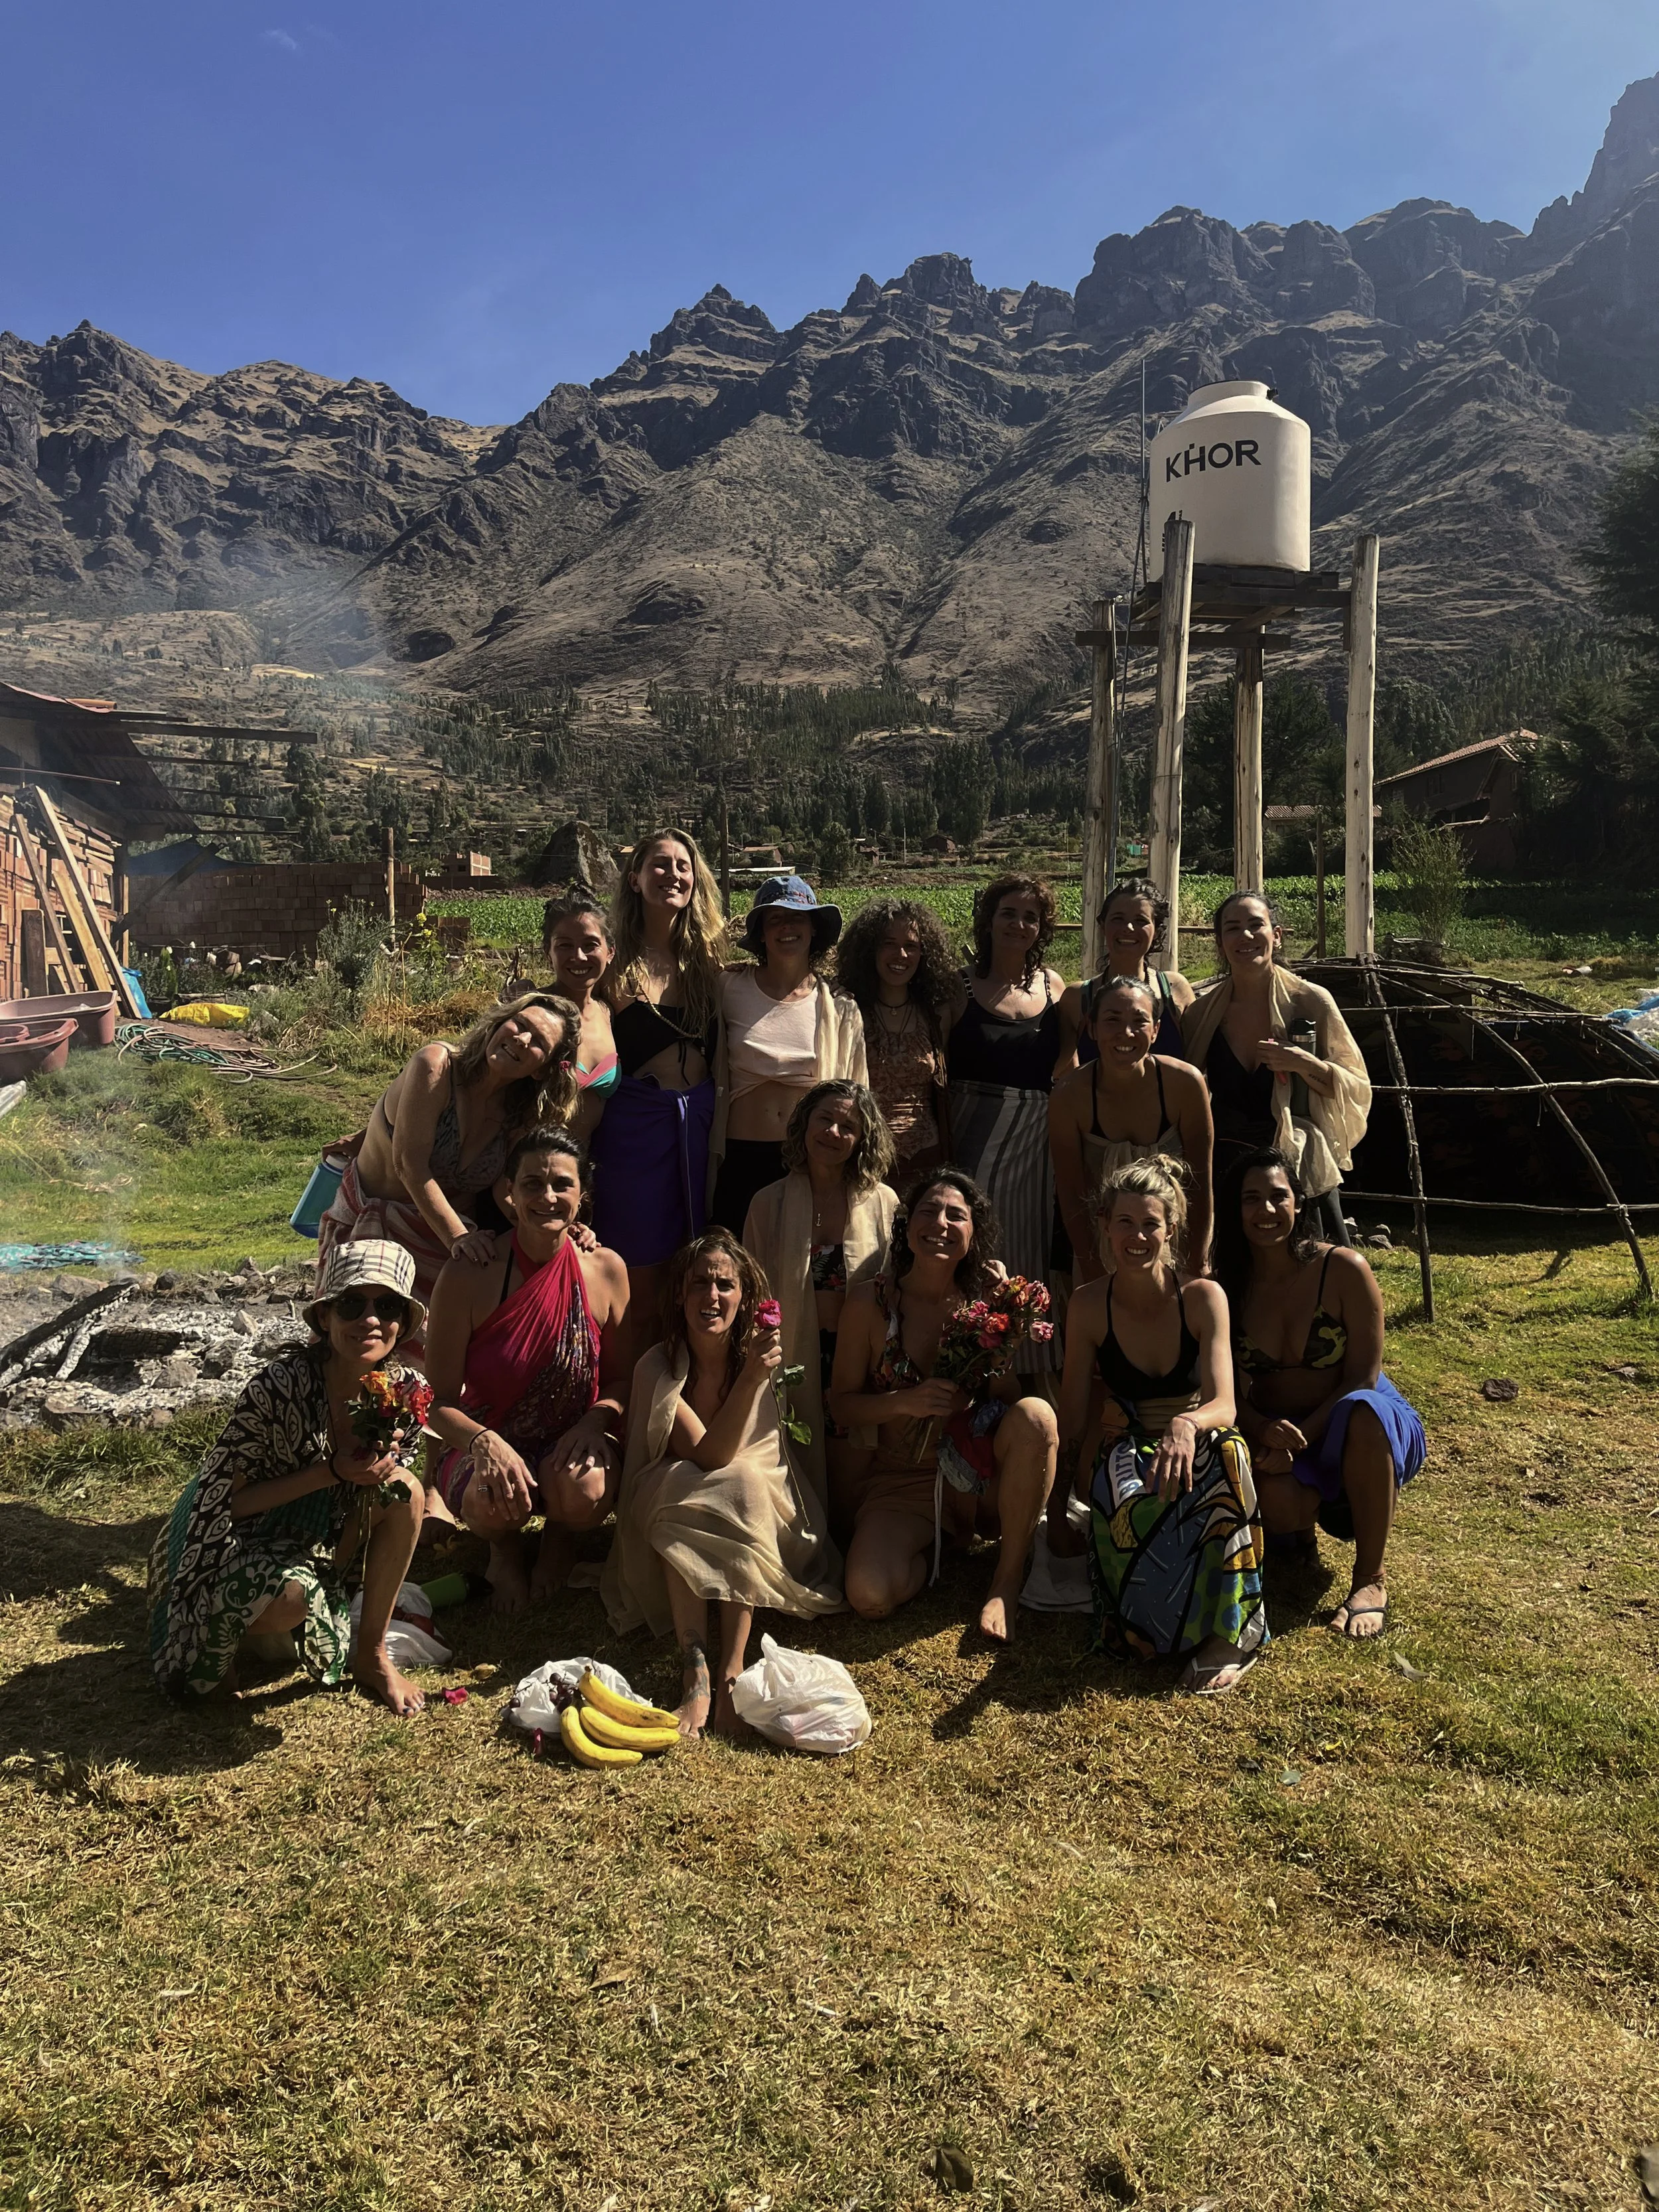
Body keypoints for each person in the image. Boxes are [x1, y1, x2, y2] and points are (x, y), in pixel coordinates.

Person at [147, 1240, 431, 1714]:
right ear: (325, 1318)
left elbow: (366, 1506)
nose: (370, 1319)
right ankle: (223, 1646)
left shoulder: (405, 1394)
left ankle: (372, 1656)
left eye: (386, 1305)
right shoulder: (279, 1388)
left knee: (407, 1490)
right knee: (290, 1596)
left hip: (314, 1544)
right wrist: (332, 1471)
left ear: (402, 1321)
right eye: (351, 1303)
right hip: (233, 1544)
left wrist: (365, 1476)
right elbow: (224, 1505)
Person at [602, 1228, 843, 1739]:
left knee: (747, 1487)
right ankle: (695, 1666)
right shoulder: (658, 1367)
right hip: (672, 1493)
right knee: (693, 1488)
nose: (711, 1297)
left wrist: (754, 1374)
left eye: (725, 1285)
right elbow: (712, 1453)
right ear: (680, 1294)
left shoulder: (756, 1362)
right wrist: (754, 1378)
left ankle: (732, 1667)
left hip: (751, 1495)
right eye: (699, 1284)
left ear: (745, 1297)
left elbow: (753, 1460)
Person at [1050, 1157, 1266, 1694]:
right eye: (1125, 1222)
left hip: (1196, 1435)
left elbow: (1224, 1403)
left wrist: (1186, 1425)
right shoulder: (1087, 1306)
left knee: (1231, 1454)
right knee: (1123, 1502)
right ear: (1104, 1224)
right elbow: (1073, 1414)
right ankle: (1152, 1629)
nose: (1138, 1236)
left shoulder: (1201, 1296)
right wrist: (1055, 1508)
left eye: (1150, 1223)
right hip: (1124, 1446)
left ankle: (1230, 1634)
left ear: (1171, 1228)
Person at [829, 1171, 1058, 1643]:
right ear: (907, 1224)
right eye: (929, 1211)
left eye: (958, 1214)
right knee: (869, 1594)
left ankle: (1005, 1582)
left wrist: (1007, 1329)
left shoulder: (985, 1302)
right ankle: (938, 1542)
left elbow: (1011, 1400)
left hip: (976, 1472)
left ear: (974, 1233)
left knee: (1038, 1415)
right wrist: (904, 1402)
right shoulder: (869, 1303)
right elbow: (842, 1406)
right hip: (901, 1480)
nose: (942, 1222)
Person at [1214, 1147, 1426, 1639]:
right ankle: (1299, 1534)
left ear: (1299, 1203)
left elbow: (1363, 1377)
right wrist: (1262, 1428)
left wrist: (1299, 1438)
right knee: (1279, 1504)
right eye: (1251, 1199)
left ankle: (1371, 1578)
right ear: (1234, 1209)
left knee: (1363, 1412)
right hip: (1279, 1427)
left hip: (1360, 1420)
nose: (1265, 1210)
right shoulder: (1225, 1285)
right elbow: (1222, 1383)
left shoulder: (1344, 1269)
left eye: (1277, 1196)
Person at [425, 1128, 630, 1611]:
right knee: (488, 1496)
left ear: (583, 1196)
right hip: (488, 1439)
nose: (548, 1196)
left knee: (586, 1491)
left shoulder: (605, 1270)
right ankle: (504, 1549)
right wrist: (483, 1442)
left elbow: (624, 1379)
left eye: (562, 1184)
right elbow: (437, 1404)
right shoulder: (471, 1272)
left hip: (571, 1439)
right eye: (533, 1183)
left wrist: (594, 1421)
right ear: (509, 1194)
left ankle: (563, 1535)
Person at [317, 992, 581, 1343]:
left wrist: (558, 1226)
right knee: (359, 1342)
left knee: (435, 1354)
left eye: (538, 1043)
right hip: (379, 1225)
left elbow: (505, 1189)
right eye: (519, 1024)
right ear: (499, 1023)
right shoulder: (437, 1064)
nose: (521, 1038)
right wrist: (460, 1238)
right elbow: (409, 1165)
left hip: (442, 1236)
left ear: (542, 1069)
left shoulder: (519, 1114)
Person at [589, 829, 726, 1364]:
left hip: (700, 1127)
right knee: (636, 1274)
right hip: (635, 1132)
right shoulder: (611, 963)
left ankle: (679, 1393)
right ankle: (621, 1398)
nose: (673, 875)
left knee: (690, 1272)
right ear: (635, 877)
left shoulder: (710, 964)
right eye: (660, 865)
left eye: (684, 866)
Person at [742, 1079, 899, 1516]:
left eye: (847, 1126)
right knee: (799, 1477)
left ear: (863, 1138)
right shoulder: (767, 1203)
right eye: (825, 1119)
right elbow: (751, 1294)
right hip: (793, 1356)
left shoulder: (884, 1203)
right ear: (804, 1124)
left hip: (859, 1361)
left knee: (849, 1493)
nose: (833, 1131)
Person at [1181, 890, 1372, 1246]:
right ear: (1220, 943)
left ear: (1277, 935)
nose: (1246, 936)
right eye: (1233, 928)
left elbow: (1354, 1085)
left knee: (1315, 1273)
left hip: (1297, 1163)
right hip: (1228, 1168)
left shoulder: (1310, 1002)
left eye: (1256, 925)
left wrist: (1303, 1062)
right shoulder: (1202, 1014)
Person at [945, 875, 1076, 1369]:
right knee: (973, 1246)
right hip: (972, 1140)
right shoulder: (959, 986)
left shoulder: (1054, 986)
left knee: (1025, 1249)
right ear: (988, 920)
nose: (1018, 924)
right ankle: (966, 1361)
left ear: (1041, 928)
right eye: (1008, 913)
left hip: (1034, 1145)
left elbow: (1072, 1064)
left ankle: (1023, 1371)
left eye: (1030, 916)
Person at [709, 873, 868, 1234]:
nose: (786, 927)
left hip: (808, 1163)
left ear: (813, 929)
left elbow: (858, 1096)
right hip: (740, 1156)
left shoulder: (839, 1007)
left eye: (797, 917)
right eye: (775, 919)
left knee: (801, 1272)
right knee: (737, 1267)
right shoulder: (727, 987)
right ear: (761, 934)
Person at [1049, 976, 1215, 1284]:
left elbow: (1201, 1182)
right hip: (1102, 1247)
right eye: (1112, 1020)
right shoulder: (1069, 1096)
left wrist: (1197, 1261)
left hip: (1175, 1243)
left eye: (1139, 1021)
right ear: (1092, 1029)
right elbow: (1071, 1193)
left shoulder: (1186, 1085)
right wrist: (1091, 1269)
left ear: (1156, 1031)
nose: (1125, 1033)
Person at [835, 895, 956, 1185]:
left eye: (911, 946)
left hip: (928, 1159)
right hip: (867, 1160)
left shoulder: (937, 1014)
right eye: (889, 944)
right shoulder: (848, 1010)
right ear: (869, 950)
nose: (901, 955)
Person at [1064, 877, 1193, 1069]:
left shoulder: (1175, 990)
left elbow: (1197, 1060)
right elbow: (1065, 1069)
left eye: (1141, 921)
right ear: (1103, 926)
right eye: (1118, 919)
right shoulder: (1078, 998)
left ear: (1157, 931)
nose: (1128, 928)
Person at [542, 887, 619, 1143]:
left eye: (591, 945)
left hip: (585, 1170)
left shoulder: (608, 1012)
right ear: (548, 951)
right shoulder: (532, 1013)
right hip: (534, 1171)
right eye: (565, 945)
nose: (578, 956)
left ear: (610, 952)